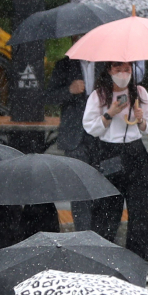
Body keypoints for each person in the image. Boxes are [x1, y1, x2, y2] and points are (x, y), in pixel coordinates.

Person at [82, 61, 148, 261]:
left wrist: (140, 119)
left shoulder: (139, 93)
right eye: (118, 70)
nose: (123, 74)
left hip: (136, 152)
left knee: (140, 208)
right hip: (109, 152)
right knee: (107, 207)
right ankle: (103, 252)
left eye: (127, 70)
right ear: (109, 70)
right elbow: (90, 127)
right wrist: (110, 113)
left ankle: (140, 253)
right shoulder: (99, 95)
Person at [42, 46, 95, 231]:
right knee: (80, 188)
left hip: (103, 135)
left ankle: (102, 235)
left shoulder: (107, 64)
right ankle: (83, 233)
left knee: (102, 187)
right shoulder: (64, 65)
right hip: (75, 136)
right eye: (76, 36)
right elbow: (49, 97)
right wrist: (69, 90)